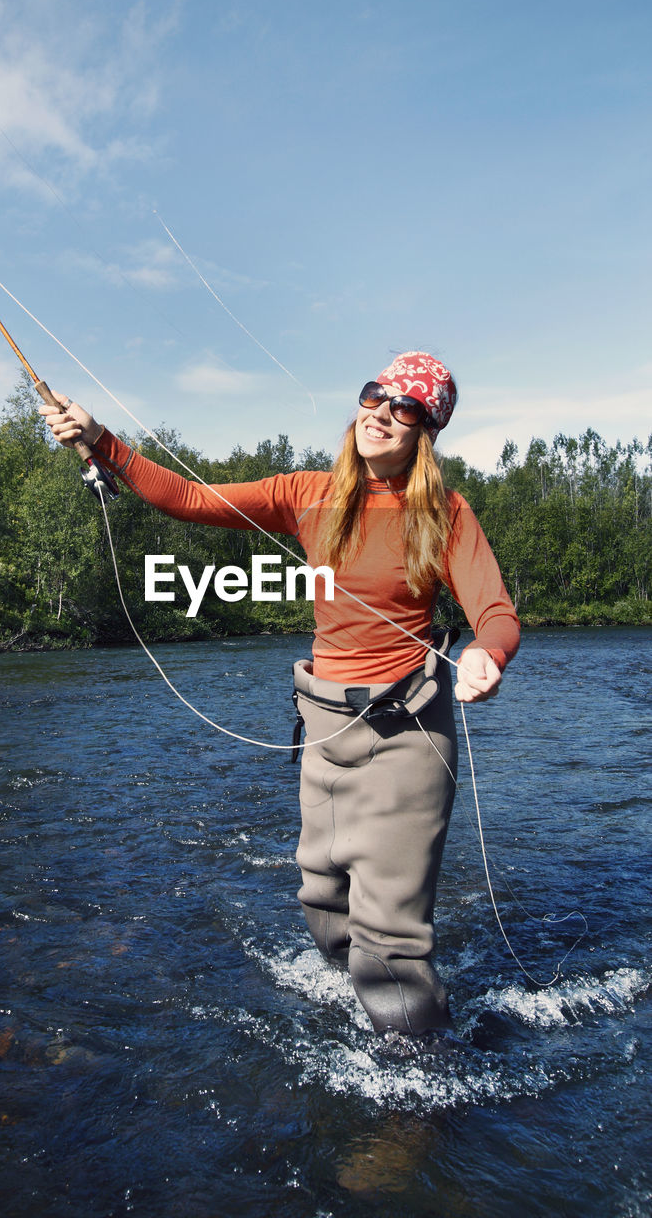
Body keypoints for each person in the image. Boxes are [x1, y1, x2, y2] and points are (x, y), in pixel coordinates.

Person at [40, 352, 520, 1037]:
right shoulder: (305, 493)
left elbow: (495, 610)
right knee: (322, 896)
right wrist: (100, 440)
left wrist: (486, 653)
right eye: (374, 395)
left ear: (427, 430)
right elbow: (188, 498)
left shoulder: (442, 511)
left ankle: (416, 1087)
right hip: (324, 728)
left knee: (388, 932)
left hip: (407, 733)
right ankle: (365, 1007)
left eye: (405, 407)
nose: (381, 412)